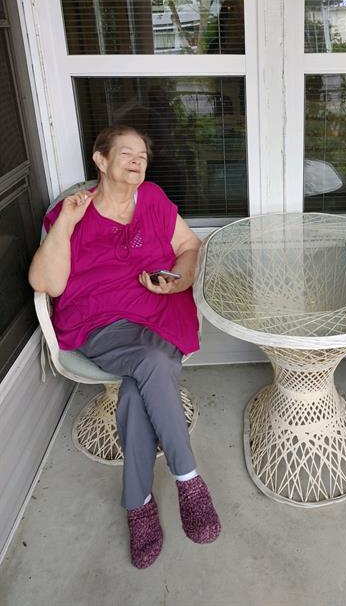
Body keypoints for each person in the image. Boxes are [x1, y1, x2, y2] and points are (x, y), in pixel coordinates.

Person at [28, 125, 221, 568]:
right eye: (125, 153)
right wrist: (66, 225)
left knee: (138, 385)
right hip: (101, 323)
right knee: (151, 362)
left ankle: (139, 505)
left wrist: (178, 281)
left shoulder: (151, 198)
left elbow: (189, 246)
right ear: (100, 160)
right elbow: (46, 283)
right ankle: (189, 481)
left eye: (142, 156)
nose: (136, 162)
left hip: (161, 311)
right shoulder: (71, 211)